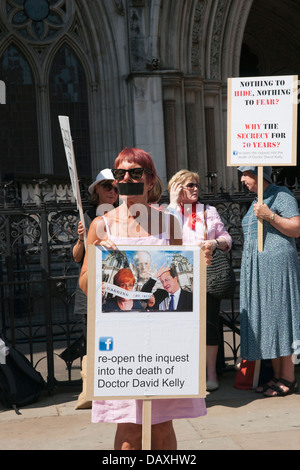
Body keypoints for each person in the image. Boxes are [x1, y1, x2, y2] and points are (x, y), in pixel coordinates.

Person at [79, 148, 212, 450]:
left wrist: (199, 263)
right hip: (122, 347)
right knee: (129, 431)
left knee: (163, 428)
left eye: (135, 172)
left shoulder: (169, 223)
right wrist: (103, 263)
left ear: (150, 180)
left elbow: (184, 277)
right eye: (120, 174)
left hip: (162, 343)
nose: (126, 178)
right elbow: (86, 286)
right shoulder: (101, 226)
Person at [167, 169, 232, 392]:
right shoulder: (167, 213)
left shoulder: (208, 210)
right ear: (177, 188)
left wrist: (215, 243)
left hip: (206, 274)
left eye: (196, 185)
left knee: (209, 324)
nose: (195, 189)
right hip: (179, 277)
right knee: (181, 325)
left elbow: (226, 238)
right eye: (189, 185)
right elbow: (162, 237)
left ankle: (211, 373)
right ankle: (185, 373)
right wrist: (174, 205)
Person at [238, 166, 300, 397]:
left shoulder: (281, 194)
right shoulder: (257, 199)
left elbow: (296, 228)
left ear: (259, 174)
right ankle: (276, 375)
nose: (242, 179)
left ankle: (288, 377)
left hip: (277, 267)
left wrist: (270, 216)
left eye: (246, 174)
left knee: (281, 318)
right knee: (268, 320)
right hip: (258, 269)